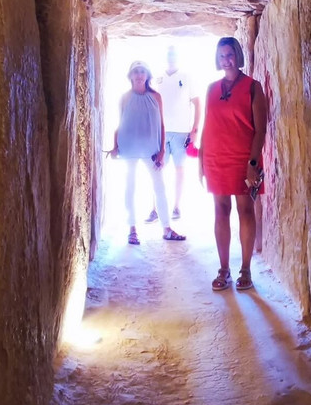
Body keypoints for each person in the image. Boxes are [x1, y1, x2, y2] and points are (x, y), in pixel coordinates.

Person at [199, 37, 266, 290]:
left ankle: (246, 270)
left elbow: (261, 130)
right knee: (220, 211)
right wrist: (202, 160)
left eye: (230, 54)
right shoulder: (211, 88)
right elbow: (208, 125)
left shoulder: (253, 87)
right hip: (216, 158)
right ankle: (224, 269)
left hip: (242, 158)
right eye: (221, 55)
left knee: (245, 211)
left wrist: (252, 162)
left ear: (237, 55)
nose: (226, 59)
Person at [111, 60, 186, 245]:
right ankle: (132, 228)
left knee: (159, 187)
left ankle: (167, 228)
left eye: (142, 71)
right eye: (135, 71)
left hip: (151, 150)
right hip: (129, 148)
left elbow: (162, 125)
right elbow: (119, 123)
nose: (139, 75)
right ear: (130, 75)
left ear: (147, 75)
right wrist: (114, 146)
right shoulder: (124, 97)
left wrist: (161, 151)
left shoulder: (156, 97)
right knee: (130, 187)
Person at [145, 45, 201, 223]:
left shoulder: (186, 77)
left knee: (179, 169)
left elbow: (197, 103)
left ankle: (176, 206)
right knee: (157, 169)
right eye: (169, 54)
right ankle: (154, 209)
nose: (171, 57)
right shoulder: (157, 78)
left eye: (174, 54)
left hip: (181, 131)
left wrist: (194, 130)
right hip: (160, 132)